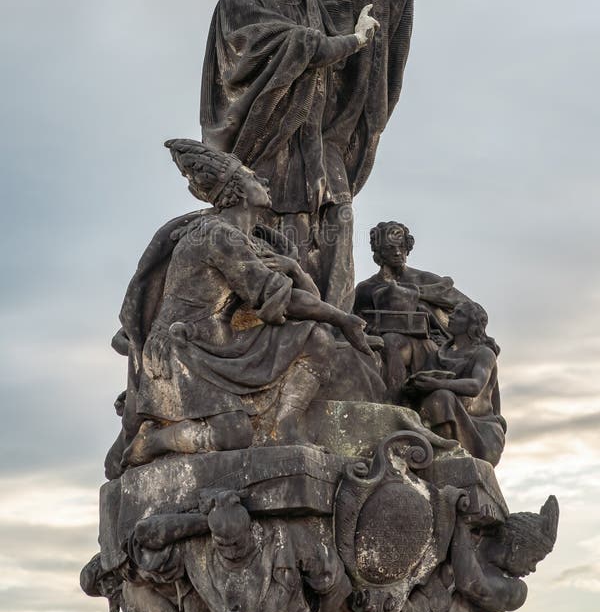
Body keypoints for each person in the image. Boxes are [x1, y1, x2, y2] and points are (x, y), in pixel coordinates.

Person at [200, 0, 422, 310]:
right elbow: (299, 44)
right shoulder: (240, 0)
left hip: (315, 139)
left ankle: (336, 321)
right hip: (265, 138)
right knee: (272, 223)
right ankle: (272, 312)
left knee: (338, 214)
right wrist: (354, 40)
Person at [110, 139, 372, 472]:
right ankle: (154, 441)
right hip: (186, 349)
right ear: (237, 190)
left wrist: (296, 272)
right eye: (252, 177)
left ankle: (286, 427)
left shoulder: (251, 241)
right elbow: (284, 300)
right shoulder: (217, 235)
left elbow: (297, 296)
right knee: (232, 435)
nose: (263, 181)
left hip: (225, 342)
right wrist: (343, 319)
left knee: (316, 338)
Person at [128, 491, 351, 612]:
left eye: (237, 542)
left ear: (250, 527)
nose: (232, 551)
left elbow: (337, 585)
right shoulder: (196, 549)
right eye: (223, 544)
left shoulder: (283, 536)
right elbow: (143, 535)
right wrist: (205, 521)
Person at [400, 498, 559, 612]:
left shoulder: (516, 591)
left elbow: (471, 585)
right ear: (516, 546)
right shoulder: (473, 541)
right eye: (534, 559)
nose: (533, 568)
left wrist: (462, 523)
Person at [353, 221, 468, 402]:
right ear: (379, 250)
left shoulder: (425, 279)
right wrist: (371, 328)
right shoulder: (366, 288)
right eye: (390, 248)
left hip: (428, 342)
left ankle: (398, 402)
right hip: (383, 342)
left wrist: (418, 295)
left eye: (401, 246)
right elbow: (356, 322)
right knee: (387, 342)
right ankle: (392, 402)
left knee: (393, 342)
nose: (398, 253)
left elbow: (469, 310)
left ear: (408, 247)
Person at [408, 301, 506, 467]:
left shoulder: (484, 353)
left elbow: (475, 386)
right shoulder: (437, 355)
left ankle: (448, 451)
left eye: (459, 314)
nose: (452, 316)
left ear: (472, 324)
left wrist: (437, 384)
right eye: (453, 312)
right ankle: (441, 448)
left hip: (480, 430)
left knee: (442, 396)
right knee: (436, 398)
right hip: (442, 418)